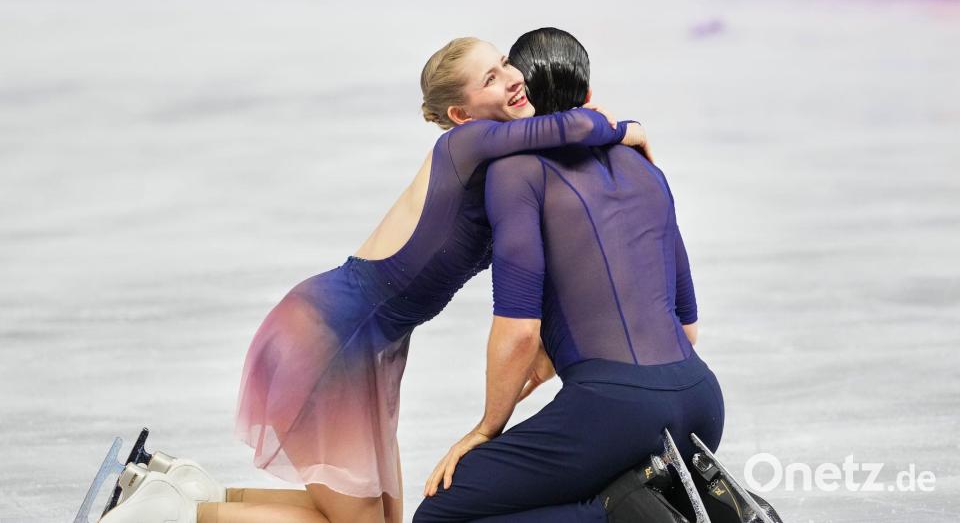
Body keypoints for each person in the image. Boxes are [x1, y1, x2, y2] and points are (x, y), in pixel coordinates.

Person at [96, 37, 650, 523]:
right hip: (330, 335)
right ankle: (179, 514)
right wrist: (628, 130)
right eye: (491, 77)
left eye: (506, 63)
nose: (511, 78)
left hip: (364, 344)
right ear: (461, 113)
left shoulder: (503, 160)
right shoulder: (467, 143)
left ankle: (190, 491)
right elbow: (573, 124)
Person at [414, 28, 722, 522]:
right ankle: (640, 498)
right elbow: (687, 327)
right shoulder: (645, 165)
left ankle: (614, 514)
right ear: (589, 98)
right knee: (586, 478)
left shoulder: (516, 173)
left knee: (441, 515)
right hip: (701, 404)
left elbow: (519, 331)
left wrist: (486, 428)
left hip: (614, 412)